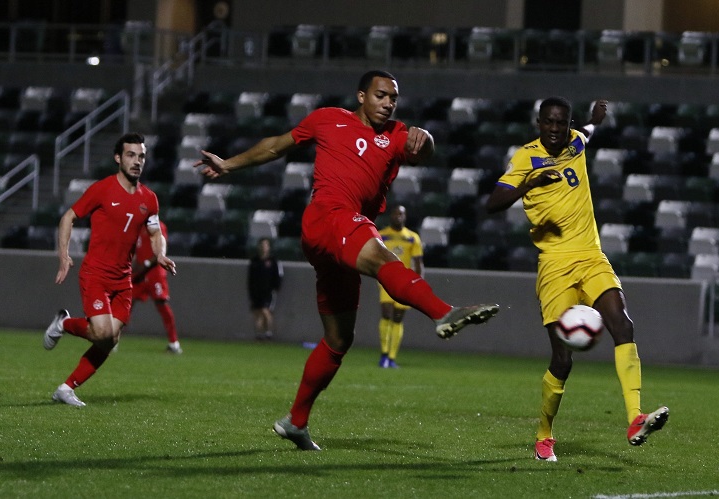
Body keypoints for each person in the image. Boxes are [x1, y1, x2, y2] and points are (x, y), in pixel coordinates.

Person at [194, 69, 499, 451]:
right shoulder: (327, 119)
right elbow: (277, 145)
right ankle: (442, 312)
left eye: (393, 98)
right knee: (381, 255)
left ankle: (295, 422)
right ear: (361, 96)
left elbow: (423, 148)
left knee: (339, 340)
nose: (388, 103)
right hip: (328, 217)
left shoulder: (395, 134)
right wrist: (229, 164)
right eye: (381, 95)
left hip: (338, 238)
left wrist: (428, 138)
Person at [485, 97, 668, 462]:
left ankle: (635, 417)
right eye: (549, 123)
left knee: (623, 324)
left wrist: (594, 119)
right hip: (554, 265)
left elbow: (587, 132)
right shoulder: (526, 157)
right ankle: (544, 435)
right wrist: (530, 183)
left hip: (591, 255)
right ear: (538, 122)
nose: (555, 129)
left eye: (561, 123)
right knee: (562, 360)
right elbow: (493, 202)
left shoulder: (575, 141)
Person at [44, 132, 176, 407]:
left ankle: (66, 388)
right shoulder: (102, 189)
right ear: (118, 158)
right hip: (96, 273)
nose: (137, 161)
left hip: (123, 279)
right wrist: (64, 254)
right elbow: (68, 217)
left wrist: (160, 254)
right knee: (103, 333)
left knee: (109, 339)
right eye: (131, 155)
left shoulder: (149, 199)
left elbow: (154, 233)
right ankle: (63, 323)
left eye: (141, 156)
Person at [377, 205, 424, 368]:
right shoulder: (382, 236)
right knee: (386, 314)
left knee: (397, 318)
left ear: (405, 217)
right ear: (391, 216)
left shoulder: (413, 238)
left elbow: (418, 263)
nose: (398, 216)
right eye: (396, 214)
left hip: (404, 282)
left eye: (401, 214)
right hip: (387, 279)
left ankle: (391, 357)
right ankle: (383, 354)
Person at [131, 219, 182, 354]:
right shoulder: (137, 226)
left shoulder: (158, 226)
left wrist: (146, 264)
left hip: (155, 272)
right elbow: (137, 251)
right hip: (140, 273)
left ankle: (174, 343)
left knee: (161, 304)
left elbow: (161, 251)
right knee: (126, 304)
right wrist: (133, 266)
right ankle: (112, 339)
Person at [248, 237, 283, 341]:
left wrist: (276, 287)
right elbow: (250, 278)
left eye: (265, 245)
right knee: (257, 313)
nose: (263, 247)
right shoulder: (254, 261)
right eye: (261, 245)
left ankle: (269, 333)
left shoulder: (273, 261)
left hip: (268, 291)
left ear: (269, 247)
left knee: (265, 311)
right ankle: (259, 335)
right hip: (256, 292)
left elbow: (278, 276)